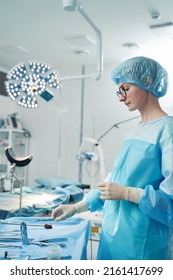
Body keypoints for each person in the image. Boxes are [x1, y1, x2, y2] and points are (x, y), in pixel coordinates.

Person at [52, 56, 173, 260]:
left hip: (142, 245)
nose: (120, 97)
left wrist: (127, 193)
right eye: (118, 91)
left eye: (125, 88)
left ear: (148, 81)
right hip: (112, 238)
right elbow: (114, 183)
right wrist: (76, 207)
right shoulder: (132, 134)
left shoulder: (167, 130)